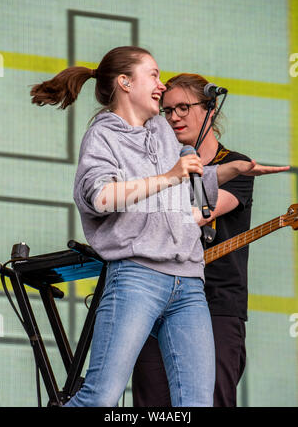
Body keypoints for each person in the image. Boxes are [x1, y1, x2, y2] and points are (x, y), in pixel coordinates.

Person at [30, 48, 289, 407]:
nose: (161, 84)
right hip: (138, 277)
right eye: (153, 75)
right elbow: (100, 198)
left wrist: (226, 172)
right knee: (99, 399)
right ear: (124, 82)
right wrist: (168, 177)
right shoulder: (104, 137)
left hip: (189, 283)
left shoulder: (164, 136)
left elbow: (188, 200)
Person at [132, 73, 289, 407]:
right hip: (157, 300)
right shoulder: (162, 169)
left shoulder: (235, 165)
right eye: (167, 110)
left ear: (211, 109)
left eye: (183, 108)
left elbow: (200, 213)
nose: (173, 117)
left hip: (215, 303)